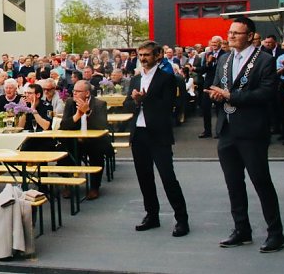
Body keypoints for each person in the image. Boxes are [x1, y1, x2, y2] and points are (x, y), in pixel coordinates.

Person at [207, 16, 284, 253]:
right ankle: (241, 229)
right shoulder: (224, 59)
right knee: (233, 183)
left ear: (250, 35)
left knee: (261, 182)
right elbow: (215, 85)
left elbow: (266, 94)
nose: (231, 37)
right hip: (227, 129)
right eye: (230, 33)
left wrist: (231, 96)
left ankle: (276, 233)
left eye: (236, 33)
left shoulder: (263, 61)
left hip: (252, 131)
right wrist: (216, 96)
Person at [124, 40, 189, 238]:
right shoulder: (135, 80)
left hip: (159, 134)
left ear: (157, 56)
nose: (143, 59)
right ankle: (152, 215)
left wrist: (145, 100)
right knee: (145, 178)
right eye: (140, 55)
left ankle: (182, 219)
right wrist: (135, 102)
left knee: (168, 178)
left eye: (147, 55)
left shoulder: (167, 78)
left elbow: (168, 106)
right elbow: (128, 105)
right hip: (139, 134)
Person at [59, 81, 110, 200]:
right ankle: (68, 184)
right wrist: (77, 115)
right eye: (74, 91)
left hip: (94, 141)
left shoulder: (99, 104)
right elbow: (63, 126)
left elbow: (102, 126)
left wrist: (88, 112)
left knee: (96, 151)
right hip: (75, 140)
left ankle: (94, 187)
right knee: (65, 149)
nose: (74, 93)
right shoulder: (70, 103)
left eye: (78, 91)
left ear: (87, 93)